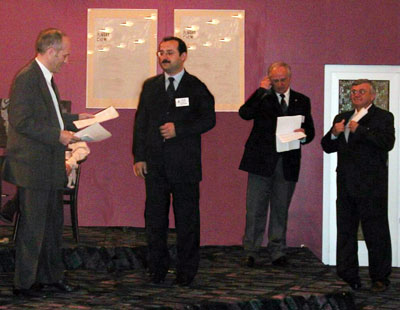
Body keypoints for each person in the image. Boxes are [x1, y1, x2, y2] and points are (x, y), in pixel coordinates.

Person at [1, 28, 93, 297]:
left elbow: (50, 116)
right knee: (33, 229)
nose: (67, 60)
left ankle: (50, 278)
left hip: (48, 165)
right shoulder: (28, 78)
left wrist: (78, 118)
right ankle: (24, 284)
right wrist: (58, 135)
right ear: (51, 51)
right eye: (65, 55)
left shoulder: (45, 77)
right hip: (33, 167)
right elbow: (21, 122)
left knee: (52, 227)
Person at [132, 36, 215, 286]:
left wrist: (180, 128)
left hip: (185, 167)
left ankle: (186, 271)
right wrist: (139, 157)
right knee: (155, 220)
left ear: (183, 56)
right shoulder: (150, 86)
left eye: (169, 52)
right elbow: (141, 124)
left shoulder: (196, 86)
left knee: (187, 221)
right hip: (155, 165)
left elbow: (209, 120)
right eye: (160, 52)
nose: (164, 57)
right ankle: (157, 269)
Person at [321, 79, 394, 292]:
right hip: (346, 184)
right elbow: (327, 147)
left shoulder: (383, 117)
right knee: (345, 232)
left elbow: (387, 143)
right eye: (353, 92)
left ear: (372, 96)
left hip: (372, 186)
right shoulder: (342, 117)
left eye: (361, 92)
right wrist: (334, 133)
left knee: (376, 233)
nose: (356, 95)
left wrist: (359, 130)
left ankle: (380, 278)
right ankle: (347, 276)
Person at [239, 62, 315, 267]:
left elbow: (310, 131)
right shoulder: (263, 97)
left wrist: (303, 135)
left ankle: (277, 250)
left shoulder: (302, 100)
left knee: (280, 209)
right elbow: (244, 113)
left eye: (283, 80)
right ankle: (251, 250)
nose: (280, 84)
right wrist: (260, 91)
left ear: (290, 78)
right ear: (269, 79)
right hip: (260, 161)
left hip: (287, 161)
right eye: (275, 80)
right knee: (255, 209)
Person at [0, 141, 90, 224]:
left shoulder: (69, 130)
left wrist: (70, 163)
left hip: (61, 174)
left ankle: (13, 206)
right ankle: (19, 212)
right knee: (33, 176)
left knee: (34, 180)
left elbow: (83, 150)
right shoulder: (42, 132)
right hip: (40, 174)